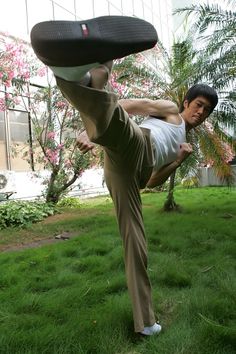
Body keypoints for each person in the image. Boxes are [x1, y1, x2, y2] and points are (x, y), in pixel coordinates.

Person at [30, 15, 218, 336]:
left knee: (135, 242)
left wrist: (176, 162)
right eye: (198, 105)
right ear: (187, 102)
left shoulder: (185, 146)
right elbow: (130, 104)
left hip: (134, 173)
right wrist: (91, 134)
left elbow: (152, 183)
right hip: (135, 143)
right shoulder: (170, 110)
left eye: (206, 111)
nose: (200, 113)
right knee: (118, 126)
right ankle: (84, 73)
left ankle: (145, 323)